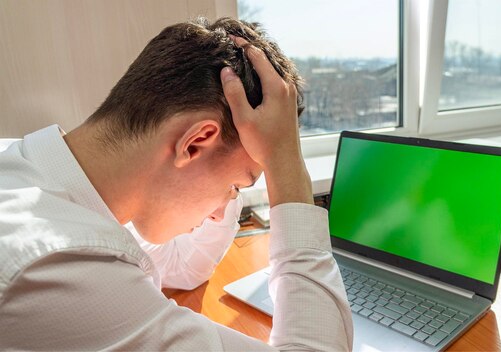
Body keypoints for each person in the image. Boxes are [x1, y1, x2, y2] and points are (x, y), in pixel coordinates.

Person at [0, 17, 353, 351]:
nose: (221, 210)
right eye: (236, 185)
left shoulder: (32, 171)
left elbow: (181, 270)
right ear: (195, 142)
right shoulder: (58, 267)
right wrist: (285, 162)